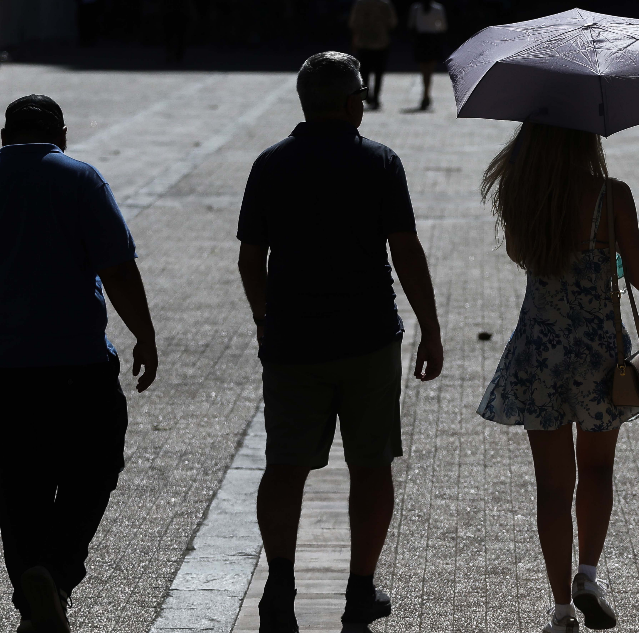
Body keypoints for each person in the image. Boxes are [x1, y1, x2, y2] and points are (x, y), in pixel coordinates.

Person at [0, 95, 159, 633]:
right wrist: (144, 336)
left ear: (4, 134)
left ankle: (37, 600)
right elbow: (118, 268)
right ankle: (54, 575)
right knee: (96, 467)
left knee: (20, 483)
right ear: (63, 134)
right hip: (75, 361)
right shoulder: (80, 179)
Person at [237, 51, 443, 633]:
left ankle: (279, 588)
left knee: (285, 466)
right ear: (353, 101)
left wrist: (264, 318)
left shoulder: (270, 164)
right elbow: (404, 248)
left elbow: (251, 256)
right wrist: (429, 326)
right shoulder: (378, 162)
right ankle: (359, 589)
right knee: (371, 465)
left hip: (293, 341)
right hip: (368, 337)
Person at [476, 123, 639, 633]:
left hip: (540, 348)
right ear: (585, 140)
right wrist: (608, 252)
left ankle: (559, 610)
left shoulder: (523, 194)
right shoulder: (610, 195)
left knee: (551, 487)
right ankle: (589, 576)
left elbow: (520, 256)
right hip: (600, 352)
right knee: (597, 469)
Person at [349, 0, 398, 109]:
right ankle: (376, 98)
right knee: (379, 72)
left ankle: (368, 96)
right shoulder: (385, 4)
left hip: (363, 42)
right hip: (381, 42)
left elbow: (353, 23)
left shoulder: (360, 4)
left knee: (364, 72)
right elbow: (392, 23)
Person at [408, 0, 447, 110]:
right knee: (429, 70)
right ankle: (426, 94)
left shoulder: (416, 8)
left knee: (423, 69)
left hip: (421, 39)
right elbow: (443, 26)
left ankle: (425, 94)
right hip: (432, 40)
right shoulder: (438, 8)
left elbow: (411, 24)